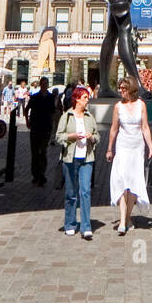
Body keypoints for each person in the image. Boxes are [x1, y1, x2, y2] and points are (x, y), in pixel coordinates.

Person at [106, 75, 152, 234]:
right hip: (123, 146)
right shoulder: (118, 107)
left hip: (137, 147)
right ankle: (122, 219)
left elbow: (145, 127)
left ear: (131, 89)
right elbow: (113, 129)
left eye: (123, 88)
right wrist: (109, 148)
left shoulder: (141, 105)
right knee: (120, 179)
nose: (120, 91)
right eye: (119, 88)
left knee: (134, 181)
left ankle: (127, 217)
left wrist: (151, 147)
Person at [55, 85, 99, 239]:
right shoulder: (66, 116)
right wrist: (71, 136)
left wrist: (92, 137)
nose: (87, 100)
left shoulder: (89, 117)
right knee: (71, 193)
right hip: (70, 158)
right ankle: (70, 223)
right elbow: (58, 136)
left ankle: (86, 226)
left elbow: (97, 135)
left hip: (87, 158)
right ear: (77, 99)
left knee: (85, 191)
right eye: (85, 97)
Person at [24, 77, 55, 185]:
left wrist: (53, 125)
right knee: (35, 152)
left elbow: (53, 112)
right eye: (43, 83)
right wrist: (27, 121)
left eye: (46, 83)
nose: (44, 85)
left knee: (43, 151)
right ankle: (35, 174)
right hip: (35, 127)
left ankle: (41, 174)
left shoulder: (51, 97)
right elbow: (26, 109)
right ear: (41, 84)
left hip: (46, 127)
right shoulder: (35, 97)